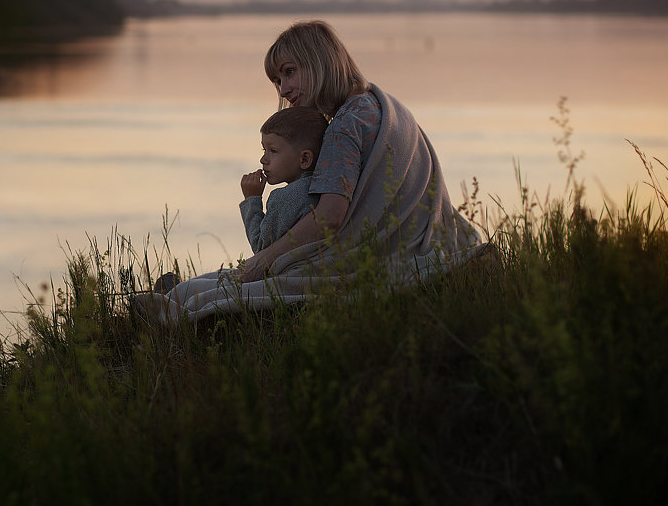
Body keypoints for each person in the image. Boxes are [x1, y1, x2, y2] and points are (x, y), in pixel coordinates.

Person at [137, 19, 484, 323]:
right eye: (278, 80)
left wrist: (265, 259)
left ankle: (168, 308)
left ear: (320, 62)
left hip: (372, 263)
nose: (284, 90)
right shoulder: (378, 104)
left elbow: (330, 217)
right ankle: (174, 294)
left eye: (290, 73)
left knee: (215, 290)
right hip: (424, 246)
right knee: (226, 279)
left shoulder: (344, 126)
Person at [239, 106, 328, 255]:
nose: (263, 160)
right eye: (264, 150)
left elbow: (261, 249)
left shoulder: (286, 197)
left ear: (304, 159)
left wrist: (251, 199)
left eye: (273, 151)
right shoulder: (325, 188)